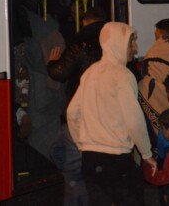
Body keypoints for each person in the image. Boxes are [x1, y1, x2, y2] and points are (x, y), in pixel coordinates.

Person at [67, 22, 156, 206]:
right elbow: (134, 120)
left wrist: (82, 142)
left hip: (90, 160)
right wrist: (147, 154)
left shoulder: (90, 73)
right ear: (118, 43)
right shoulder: (123, 75)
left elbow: (72, 112)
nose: (135, 48)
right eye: (131, 43)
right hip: (116, 160)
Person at [47, 7, 107, 206]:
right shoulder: (111, 42)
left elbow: (59, 72)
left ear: (84, 22)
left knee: (69, 161)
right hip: (103, 109)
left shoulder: (79, 41)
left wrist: (52, 63)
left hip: (80, 110)